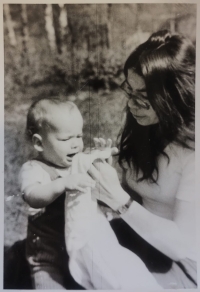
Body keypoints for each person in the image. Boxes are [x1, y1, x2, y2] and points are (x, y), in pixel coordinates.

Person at [89, 30, 197, 289]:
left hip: (183, 263)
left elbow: (182, 246)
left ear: (175, 97)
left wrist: (119, 200)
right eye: (129, 91)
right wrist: (108, 179)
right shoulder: (146, 125)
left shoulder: (194, 152)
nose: (132, 105)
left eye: (144, 97)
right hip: (141, 241)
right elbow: (141, 193)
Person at [19, 97, 161, 290]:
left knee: (97, 273)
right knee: (48, 281)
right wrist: (62, 183)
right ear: (39, 143)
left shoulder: (77, 161)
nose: (76, 144)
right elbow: (33, 196)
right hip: (48, 251)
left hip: (79, 244)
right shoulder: (34, 168)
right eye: (65, 139)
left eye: (78, 136)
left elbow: (96, 184)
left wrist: (99, 159)